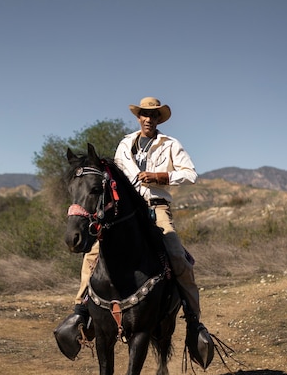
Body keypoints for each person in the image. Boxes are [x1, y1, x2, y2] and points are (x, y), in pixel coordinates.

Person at [73, 97, 213, 360]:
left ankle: (194, 322)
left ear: (159, 119)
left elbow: (191, 174)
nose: (149, 119)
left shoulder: (171, 145)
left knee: (177, 257)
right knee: (92, 253)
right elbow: (114, 176)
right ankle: (80, 312)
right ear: (139, 117)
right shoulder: (125, 144)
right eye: (144, 115)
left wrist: (160, 177)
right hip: (125, 211)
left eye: (154, 115)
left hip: (157, 207)